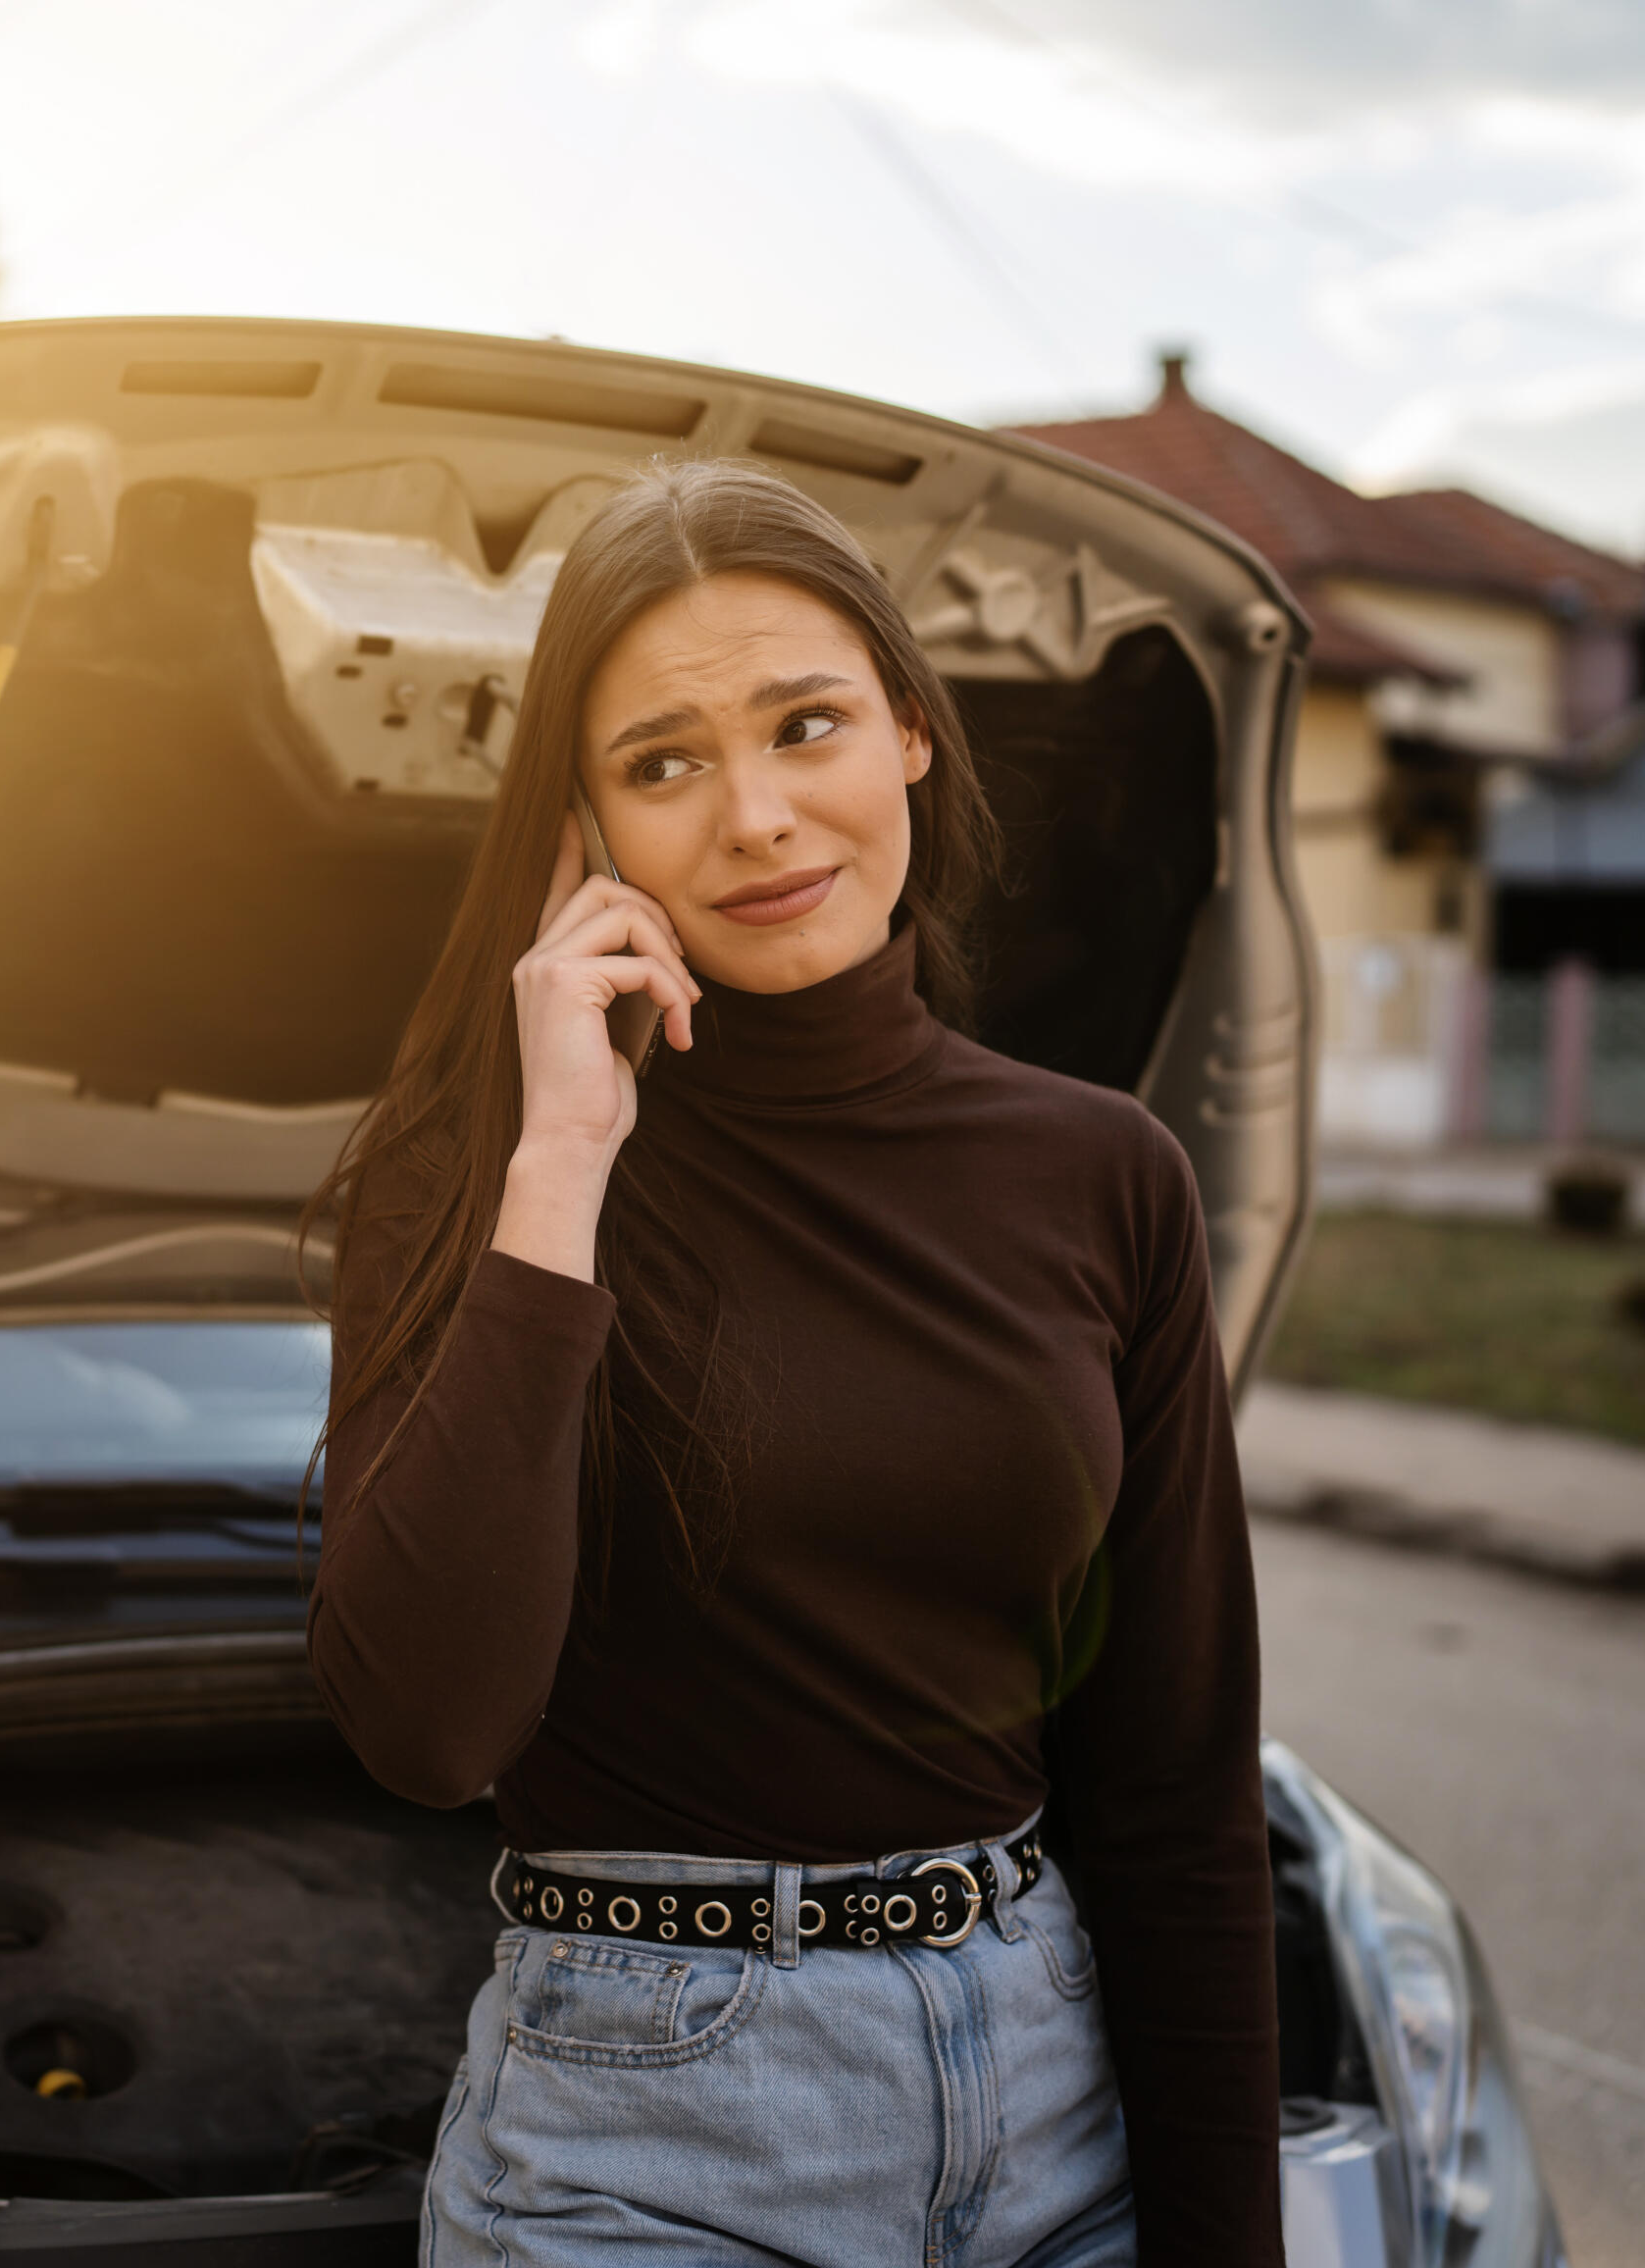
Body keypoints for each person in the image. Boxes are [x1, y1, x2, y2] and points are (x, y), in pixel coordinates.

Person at [304, 460, 1278, 2265]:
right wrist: (560, 1166)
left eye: (804, 725)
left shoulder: (1104, 1175)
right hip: (644, 2133)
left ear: (909, 732)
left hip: (1059, 2100)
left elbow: (1174, 1782)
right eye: (663, 762)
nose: (754, 816)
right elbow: (430, 1730)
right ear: (579, 827)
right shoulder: (482, 1179)